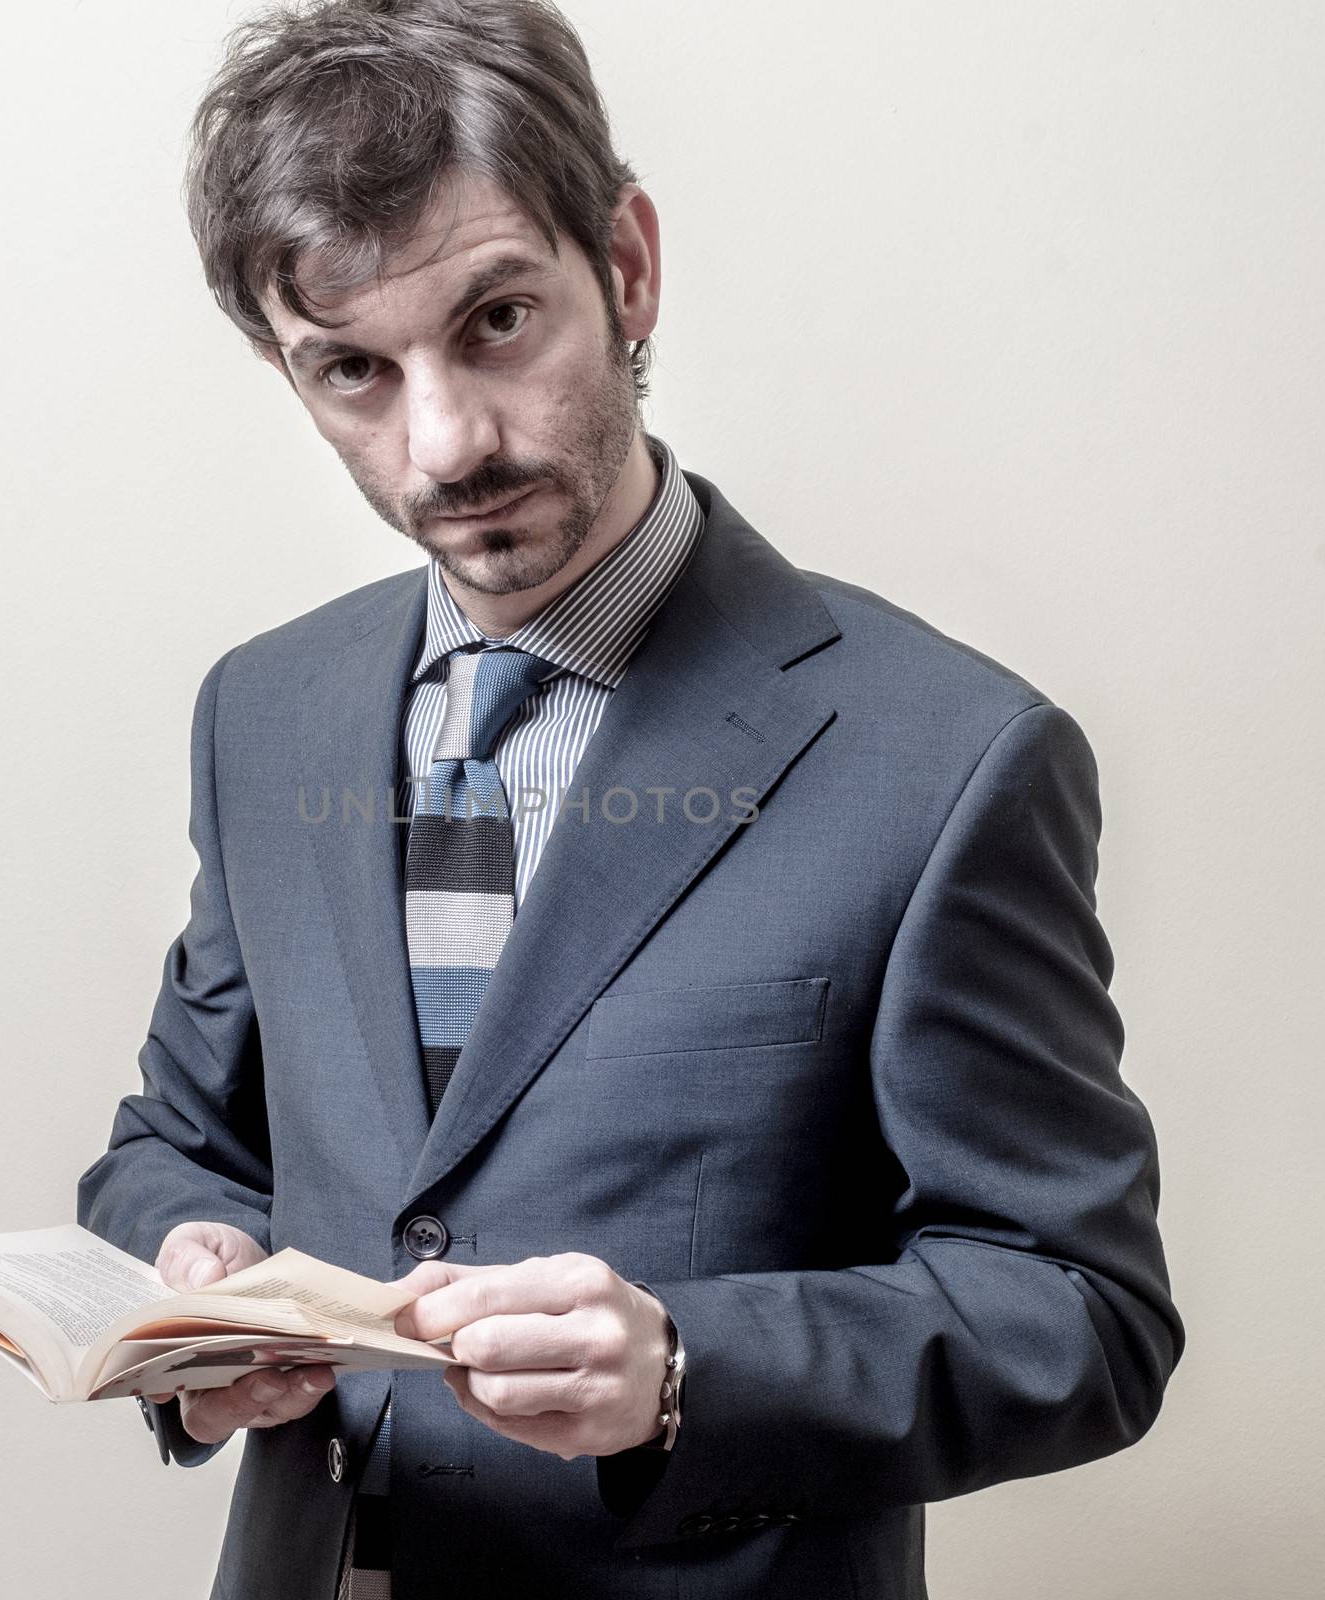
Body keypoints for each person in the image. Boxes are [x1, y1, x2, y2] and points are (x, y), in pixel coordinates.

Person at [75, 2, 1184, 1596]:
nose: (443, 444)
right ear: (285, 366)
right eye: (352, 372)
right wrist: (192, 1285)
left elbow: (1084, 1311)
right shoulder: (262, 710)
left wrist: (686, 1367)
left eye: (500, 319)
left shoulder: (950, 753)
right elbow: (173, 1143)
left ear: (630, 267)